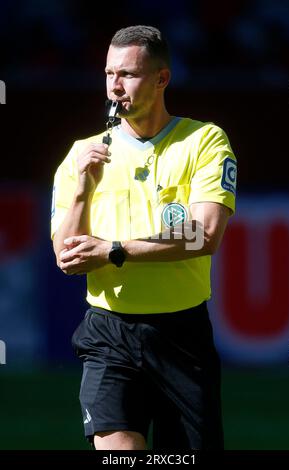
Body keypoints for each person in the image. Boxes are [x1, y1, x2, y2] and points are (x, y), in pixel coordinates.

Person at [51, 25, 237, 451]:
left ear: (161, 78)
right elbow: (66, 257)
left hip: (182, 335)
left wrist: (115, 250)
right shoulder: (82, 153)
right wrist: (82, 189)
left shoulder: (204, 141)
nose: (115, 87)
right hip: (108, 332)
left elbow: (205, 235)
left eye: (129, 75)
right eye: (108, 73)